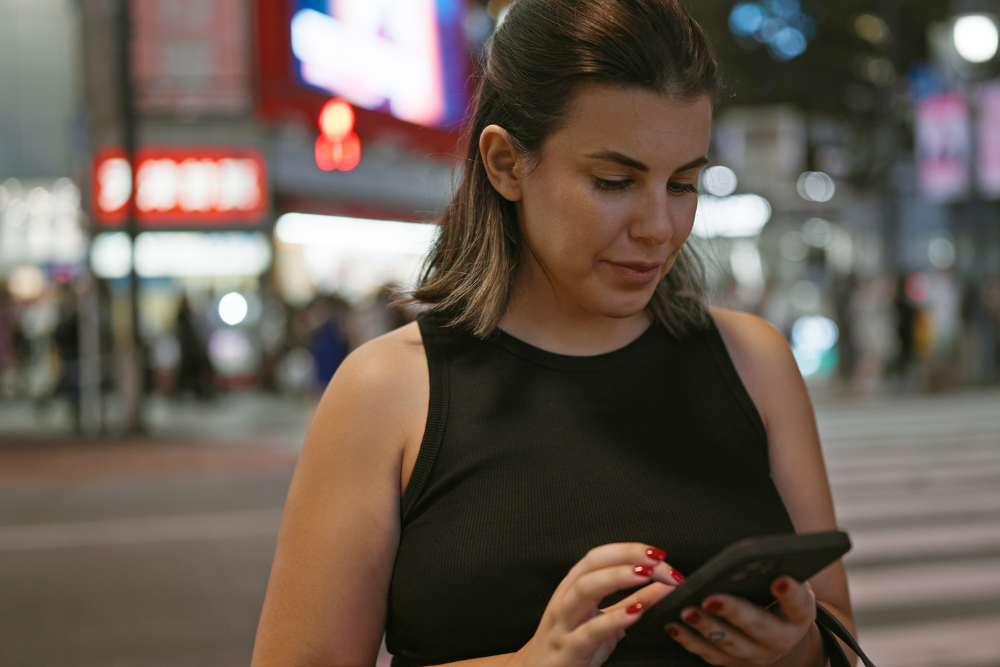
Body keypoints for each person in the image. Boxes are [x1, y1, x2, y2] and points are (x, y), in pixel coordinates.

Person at [251, 1, 854, 666]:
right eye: (614, 181)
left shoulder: (752, 361)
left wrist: (800, 647)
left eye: (684, 183)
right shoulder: (388, 390)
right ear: (507, 162)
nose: (658, 225)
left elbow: (838, 639)